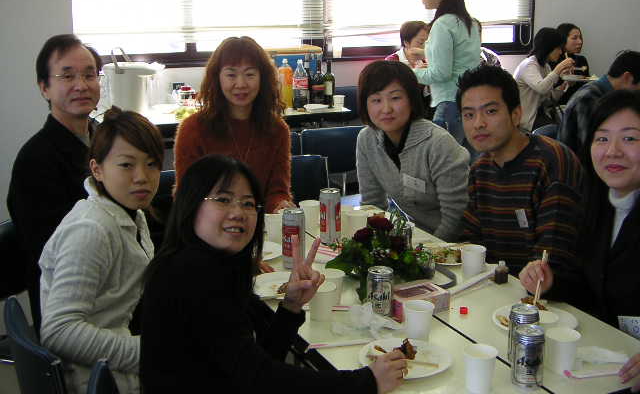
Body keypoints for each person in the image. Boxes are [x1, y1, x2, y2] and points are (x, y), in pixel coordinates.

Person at [140, 154, 406, 393]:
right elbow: (261, 379)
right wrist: (366, 382)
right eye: (223, 199)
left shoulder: (218, 266)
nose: (238, 213)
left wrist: (290, 307)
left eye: (248, 203)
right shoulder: (189, 274)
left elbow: (257, 360)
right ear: (191, 204)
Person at [520, 90, 640, 392]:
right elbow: (591, 287)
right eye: (602, 138)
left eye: (629, 138)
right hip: (604, 363)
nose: (612, 151)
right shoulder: (596, 204)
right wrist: (551, 282)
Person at [39, 107, 163, 394]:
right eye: (126, 165)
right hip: (98, 380)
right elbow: (59, 331)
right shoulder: (91, 230)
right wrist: (149, 352)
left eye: (152, 164)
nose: (142, 177)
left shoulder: (130, 211)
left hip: (115, 359)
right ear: (97, 169)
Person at [7, 34, 102, 332]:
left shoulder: (106, 140)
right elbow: (56, 253)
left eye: (89, 75)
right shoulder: (35, 160)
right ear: (44, 87)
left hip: (113, 284)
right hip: (72, 307)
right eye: (67, 76)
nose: (81, 85)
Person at [457, 64, 583, 278]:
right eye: (469, 115)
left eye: (490, 111)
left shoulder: (552, 162)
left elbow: (552, 258)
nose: (478, 124)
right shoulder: (480, 170)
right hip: (493, 284)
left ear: (516, 114)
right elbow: (470, 239)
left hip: (546, 291)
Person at [173, 36, 294, 214]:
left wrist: (280, 206)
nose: (241, 84)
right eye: (231, 75)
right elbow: (187, 197)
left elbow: (277, 191)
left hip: (258, 224)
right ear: (217, 78)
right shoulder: (193, 129)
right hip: (209, 224)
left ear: (263, 78)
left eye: (250, 74)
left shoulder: (277, 129)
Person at [356, 60, 469, 241]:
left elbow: (456, 218)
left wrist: (429, 251)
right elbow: (372, 206)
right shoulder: (367, 139)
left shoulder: (438, 143)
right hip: (418, 238)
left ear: (411, 99)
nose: (386, 109)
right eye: (376, 100)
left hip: (459, 243)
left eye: (395, 98)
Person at [414, 0, 481, 144]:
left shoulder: (442, 24)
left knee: (445, 159)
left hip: (449, 104)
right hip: (470, 102)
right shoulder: (471, 23)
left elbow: (440, 73)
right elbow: (461, 60)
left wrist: (408, 72)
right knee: (469, 157)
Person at [558, 50, 640, 158]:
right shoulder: (590, 99)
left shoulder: (605, 96)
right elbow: (592, 150)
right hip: (578, 165)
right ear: (628, 77)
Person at [513, 27, 574, 131]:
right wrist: (558, 69)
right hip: (526, 119)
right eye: (558, 48)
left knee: (569, 125)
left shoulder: (545, 66)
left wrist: (565, 84)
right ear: (548, 47)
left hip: (540, 115)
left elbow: (549, 99)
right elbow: (542, 88)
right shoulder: (529, 65)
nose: (560, 52)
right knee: (557, 132)